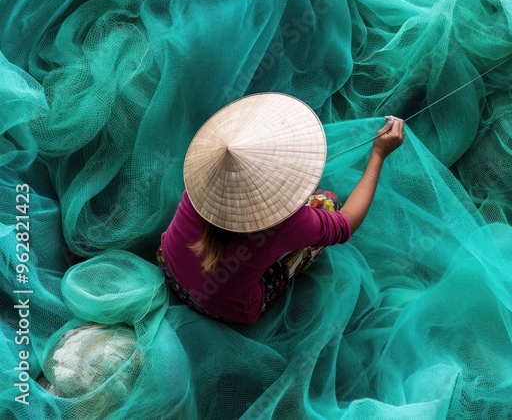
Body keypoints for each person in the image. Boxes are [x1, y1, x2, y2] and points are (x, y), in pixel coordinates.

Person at [156, 93, 404, 325]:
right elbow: (346, 223)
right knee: (327, 201)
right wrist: (378, 154)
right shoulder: (290, 223)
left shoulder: (203, 180)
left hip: (167, 266)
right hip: (225, 310)